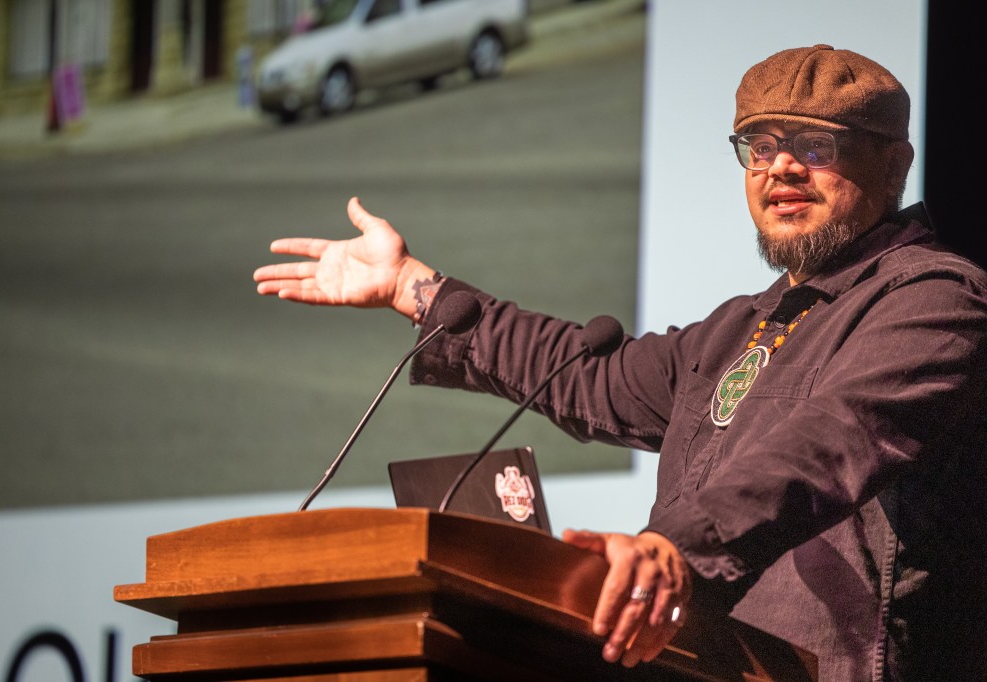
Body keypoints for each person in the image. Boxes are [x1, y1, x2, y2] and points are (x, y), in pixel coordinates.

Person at [254, 45, 987, 681]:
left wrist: (676, 550)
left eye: (816, 146)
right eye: (759, 146)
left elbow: (829, 444)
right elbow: (584, 375)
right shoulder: (739, 330)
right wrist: (414, 288)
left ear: (893, 166)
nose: (781, 168)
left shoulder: (934, 300)